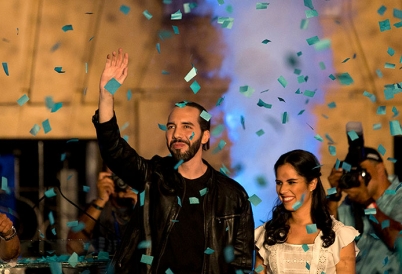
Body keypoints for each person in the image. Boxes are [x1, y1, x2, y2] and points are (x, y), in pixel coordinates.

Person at [91, 48, 254, 273]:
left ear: (205, 135)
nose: (177, 134)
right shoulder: (153, 177)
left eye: (187, 127)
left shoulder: (232, 196)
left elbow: (242, 264)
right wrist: (106, 95)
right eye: (171, 127)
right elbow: (113, 150)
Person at [255, 149, 358, 274]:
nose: (282, 190)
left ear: (312, 183)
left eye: (291, 182)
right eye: (279, 183)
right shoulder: (268, 233)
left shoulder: (340, 236)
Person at [327, 147, 402, 273]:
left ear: (380, 169)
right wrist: (334, 195)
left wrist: (368, 203)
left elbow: (398, 239)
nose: (358, 179)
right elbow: (327, 237)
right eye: (352, 173)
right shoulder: (351, 203)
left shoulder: (399, 197)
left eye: (361, 172)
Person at [66, 169, 137, 255]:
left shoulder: (147, 207)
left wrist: (143, 208)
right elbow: (73, 248)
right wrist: (101, 200)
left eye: (125, 174)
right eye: (115, 175)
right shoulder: (94, 209)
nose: (121, 181)